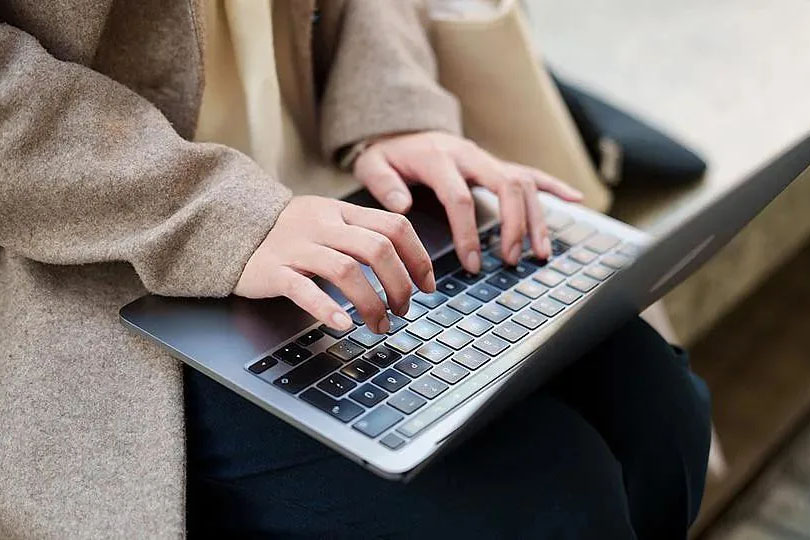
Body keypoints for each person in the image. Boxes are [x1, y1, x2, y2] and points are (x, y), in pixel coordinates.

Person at [0, 1, 710, 538]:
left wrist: (391, 107)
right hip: (86, 243)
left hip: (325, 183)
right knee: (552, 497)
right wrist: (224, 217)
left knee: (659, 410)